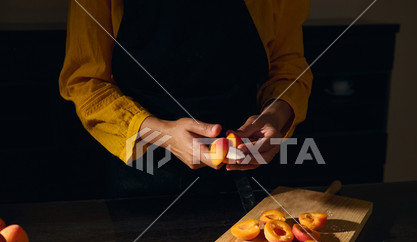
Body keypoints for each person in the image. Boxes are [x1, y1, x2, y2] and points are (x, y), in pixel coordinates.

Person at [59, 0, 313, 196]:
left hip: (248, 168)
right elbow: (85, 82)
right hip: (142, 175)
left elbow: (287, 63)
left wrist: (275, 115)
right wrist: (163, 133)